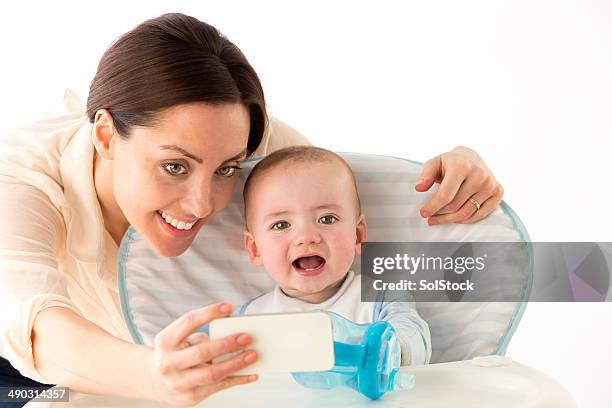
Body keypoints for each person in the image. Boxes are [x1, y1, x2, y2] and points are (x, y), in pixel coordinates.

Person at [0, 12, 504, 407]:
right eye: (175, 167)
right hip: (27, 372)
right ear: (106, 135)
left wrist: (459, 178)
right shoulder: (19, 181)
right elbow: (37, 326)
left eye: (226, 170)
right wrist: (151, 375)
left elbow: (338, 220)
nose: (202, 204)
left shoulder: (247, 137)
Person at [240, 146, 431, 366]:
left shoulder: (380, 300)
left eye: (327, 219)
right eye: (281, 225)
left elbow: (415, 339)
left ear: (357, 235)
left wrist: (391, 352)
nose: (306, 237)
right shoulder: (248, 319)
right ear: (255, 249)